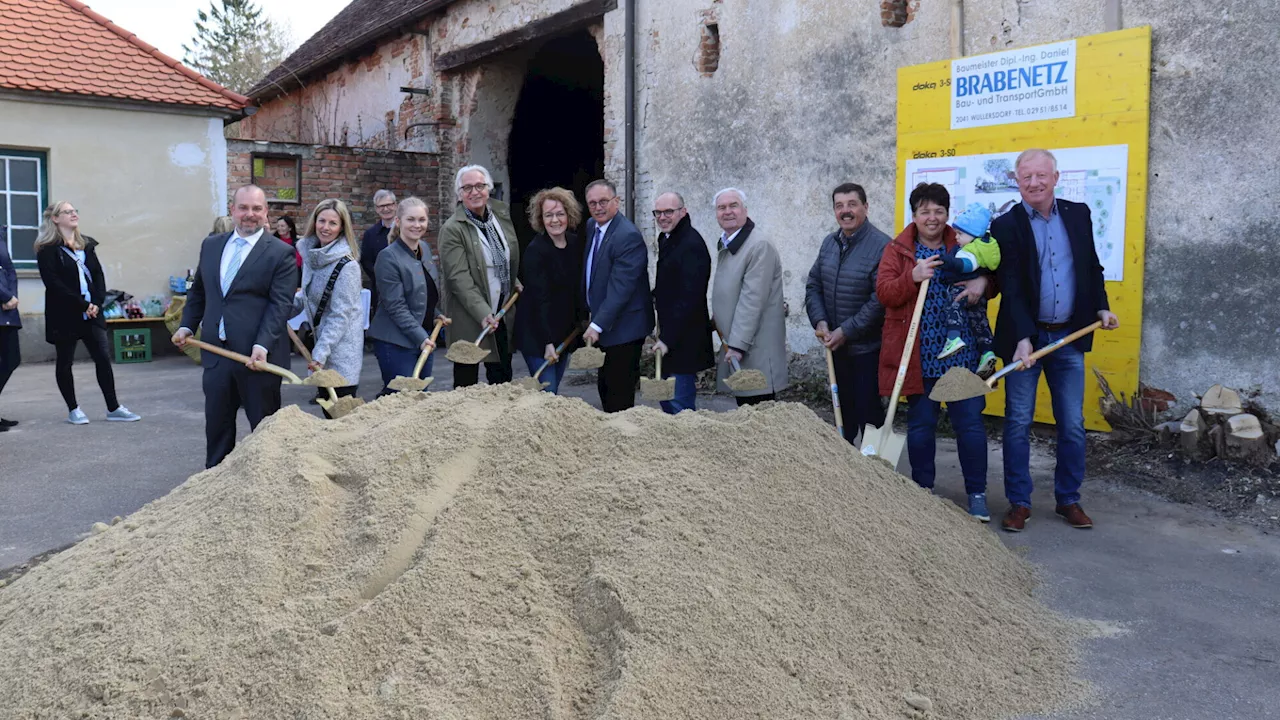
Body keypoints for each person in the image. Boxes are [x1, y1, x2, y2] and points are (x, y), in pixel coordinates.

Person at [994, 149, 1119, 532]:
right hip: (1026, 341)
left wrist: (1101, 307)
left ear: (1055, 177)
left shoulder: (1078, 213)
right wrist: (1023, 338)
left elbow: (1091, 266)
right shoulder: (1006, 225)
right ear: (1016, 181)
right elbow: (1011, 286)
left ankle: (1068, 499)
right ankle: (1019, 502)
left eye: (1040, 175)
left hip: (1068, 336)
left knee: (1072, 423)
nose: (1033, 183)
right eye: (1026, 176)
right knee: (1017, 422)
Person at [876, 183, 992, 521]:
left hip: (963, 355)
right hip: (919, 354)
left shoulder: (964, 242)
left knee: (969, 425)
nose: (932, 217)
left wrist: (982, 283)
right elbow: (884, 293)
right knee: (922, 426)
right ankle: (922, 491)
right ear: (914, 215)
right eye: (925, 211)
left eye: (939, 211)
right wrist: (911, 276)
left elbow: (993, 274)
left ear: (947, 215)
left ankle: (978, 495)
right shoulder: (899, 250)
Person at [173, 185, 296, 468]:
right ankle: (214, 486)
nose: (249, 215)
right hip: (217, 355)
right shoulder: (212, 245)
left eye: (256, 209)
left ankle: (267, 486)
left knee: (265, 434)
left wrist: (262, 345)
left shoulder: (281, 253)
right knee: (217, 430)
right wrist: (187, 326)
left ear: (266, 213)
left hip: (257, 359)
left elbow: (280, 306)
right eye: (243, 208)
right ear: (232, 210)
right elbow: (199, 293)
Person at [34, 202, 141, 425]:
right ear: (55, 219)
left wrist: (97, 303)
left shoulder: (87, 245)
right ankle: (74, 409)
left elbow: (98, 276)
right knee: (65, 362)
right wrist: (82, 304)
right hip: (65, 315)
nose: (74, 214)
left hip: (92, 313)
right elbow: (54, 284)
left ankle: (114, 408)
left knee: (103, 358)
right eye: (68, 212)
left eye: (75, 211)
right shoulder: (47, 250)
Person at [805, 182, 891, 443]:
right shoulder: (829, 243)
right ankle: (845, 477)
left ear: (865, 207)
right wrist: (821, 323)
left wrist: (846, 330)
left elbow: (880, 300)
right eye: (839, 206)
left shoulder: (883, 246)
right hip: (836, 350)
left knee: (869, 416)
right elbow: (814, 285)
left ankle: (875, 475)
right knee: (843, 417)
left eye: (852, 204)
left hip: (867, 351)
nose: (846, 211)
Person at [439, 165, 520, 388]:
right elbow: (458, 278)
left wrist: (513, 281)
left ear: (489, 188)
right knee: (467, 383)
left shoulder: (500, 217)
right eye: (467, 188)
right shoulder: (453, 229)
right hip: (470, 315)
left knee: (502, 379)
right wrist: (483, 312)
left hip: (501, 311)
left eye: (480, 186)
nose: (474, 192)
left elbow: (505, 257)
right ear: (459, 194)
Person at [709, 188, 787, 405]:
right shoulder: (729, 242)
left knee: (759, 412)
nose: (727, 212)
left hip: (753, 346)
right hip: (739, 341)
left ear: (745, 210)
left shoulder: (758, 245)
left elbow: (753, 299)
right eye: (721, 208)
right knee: (747, 411)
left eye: (733, 206)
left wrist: (737, 345)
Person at [582, 179, 654, 412]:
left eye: (604, 201)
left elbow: (621, 289)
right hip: (606, 326)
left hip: (625, 328)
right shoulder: (592, 226)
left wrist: (597, 324)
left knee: (618, 394)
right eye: (592, 203)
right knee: (605, 386)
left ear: (617, 201)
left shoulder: (627, 236)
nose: (598, 207)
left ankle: (624, 440)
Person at [369, 196, 446, 395]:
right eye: (410, 219)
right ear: (398, 221)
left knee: (419, 397)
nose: (417, 225)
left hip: (423, 337)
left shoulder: (425, 249)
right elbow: (396, 306)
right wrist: (421, 337)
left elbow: (423, 291)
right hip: (395, 343)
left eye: (421, 220)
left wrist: (435, 313)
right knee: (400, 399)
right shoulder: (388, 257)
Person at [295, 199, 364, 417]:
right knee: (327, 409)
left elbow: (340, 316)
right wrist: (278, 309)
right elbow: (306, 297)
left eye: (333, 223)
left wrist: (320, 353)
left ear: (342, 227)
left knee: (341, 415)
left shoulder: (348, 266)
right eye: (321, 220)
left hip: (342, 350)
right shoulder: (311, 256)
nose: (325, 227)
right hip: (321, 347)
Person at [515, 187, 586, 394]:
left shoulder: (575, 244)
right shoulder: (536, 251)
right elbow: (540, 300)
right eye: (548, 215)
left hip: (564, 332)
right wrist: (547, 342)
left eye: (560, 214)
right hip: (538, 335)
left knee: (552, 393)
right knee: (548, 393)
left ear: (568, 215)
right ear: (541, 219)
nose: (555, 220)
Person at [650, 191, 713, 414]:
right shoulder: (668, 238)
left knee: (679, 406)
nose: (662, 217)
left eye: (669, 212)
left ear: (683, 212)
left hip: (684, 339)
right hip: (672, 335)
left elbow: (690, 298)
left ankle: (688, 446)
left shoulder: (691, 245)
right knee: (667, 401)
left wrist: (666, 339)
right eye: (658, 212)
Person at [935, 202, 1000, 377]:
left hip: (961, 289)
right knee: (980, 323)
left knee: (952, 306)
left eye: (960, 234)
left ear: (973, 235)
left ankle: (953, 338)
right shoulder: (986, 246)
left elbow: (965, 265)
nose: (956, 237)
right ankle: (987, 353)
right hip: (979, 298)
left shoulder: (971, 250)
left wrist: (946, 261)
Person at [360, 189, 398, 320]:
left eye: (389, 205)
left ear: (395, 205)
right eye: (382, 206)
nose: (386, 209)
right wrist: (380, 276)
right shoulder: (370, 234)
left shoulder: (406, 230)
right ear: (376, 209)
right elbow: (366, 261)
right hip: (380, 289)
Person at [0, 231, 21, 431]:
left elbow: (9, 269)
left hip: (7, 309)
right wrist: (5, 295)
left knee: (11, 358)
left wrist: (12, 297)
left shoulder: (1, 233)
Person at [275, 215, 302, 287]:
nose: (279, 228)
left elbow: (298, 263)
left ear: (290, 228)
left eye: (282, 226)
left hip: (293, 279)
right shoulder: (273, 242)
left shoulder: (298, 244)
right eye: (278, 226)